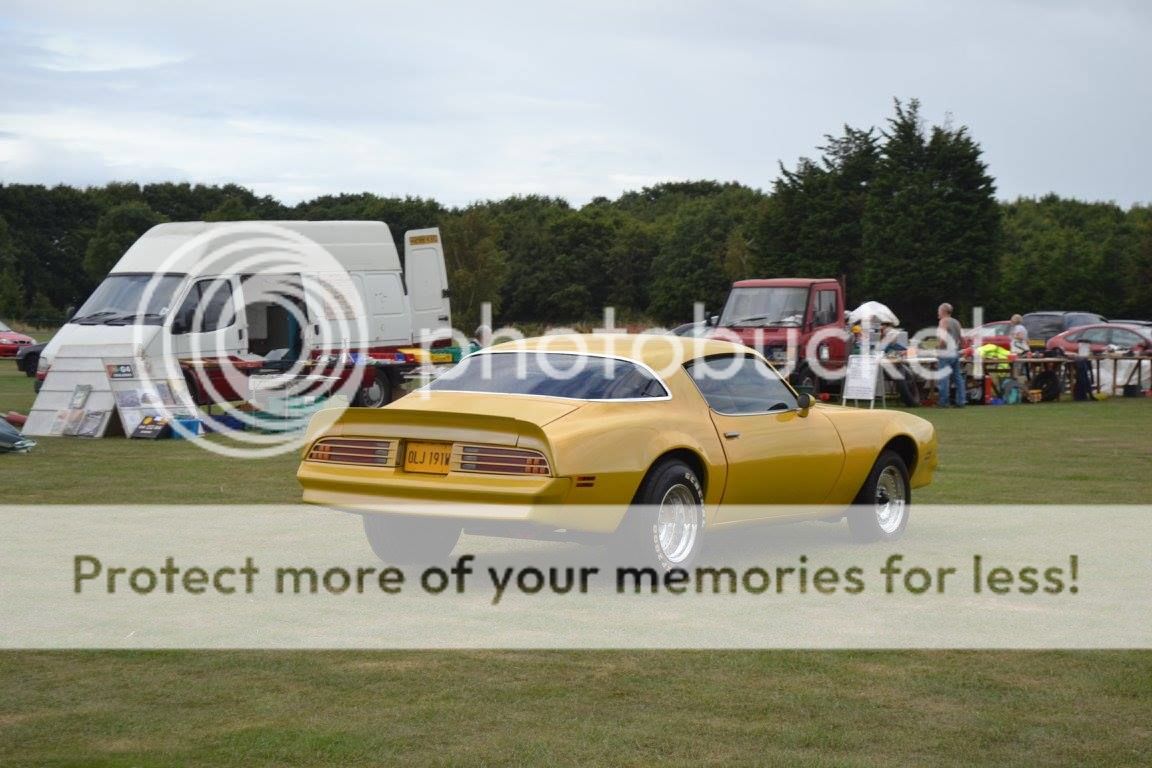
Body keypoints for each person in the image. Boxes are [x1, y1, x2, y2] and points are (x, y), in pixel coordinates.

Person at [936, 302, 966, 407]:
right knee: (958, 377)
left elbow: (943, 338)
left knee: (944, 378)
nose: (938, 313)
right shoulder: (956, 322)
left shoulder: (943, 321)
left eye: (939, 310)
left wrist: (938, 348)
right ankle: (961, 401)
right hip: (955, 352)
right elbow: (962, 339)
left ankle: (943, 402)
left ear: (943, 311)